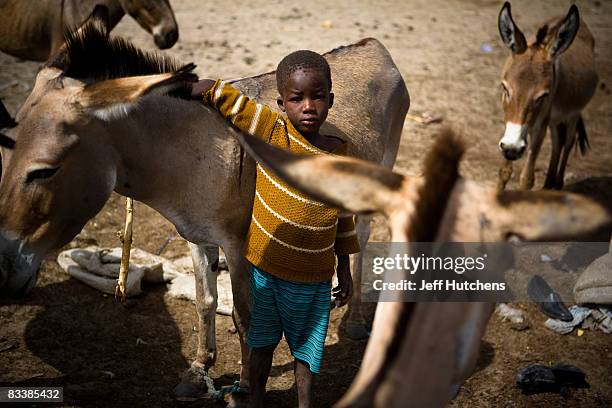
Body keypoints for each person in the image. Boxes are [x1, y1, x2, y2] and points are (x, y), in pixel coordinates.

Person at [192, 50, 360, 408]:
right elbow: (231, 101)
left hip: (314, 281)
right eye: (297, 99)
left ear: (330, 99)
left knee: (307, 353)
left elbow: (344, 216)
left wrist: (344, 268)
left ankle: (305, 403)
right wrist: (192, 88)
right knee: (260, 345)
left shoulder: (340, 154)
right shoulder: (272, 132)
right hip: (266, 273)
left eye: (317, 97)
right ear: (282, 103)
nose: (308, 107)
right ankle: (256, 399)